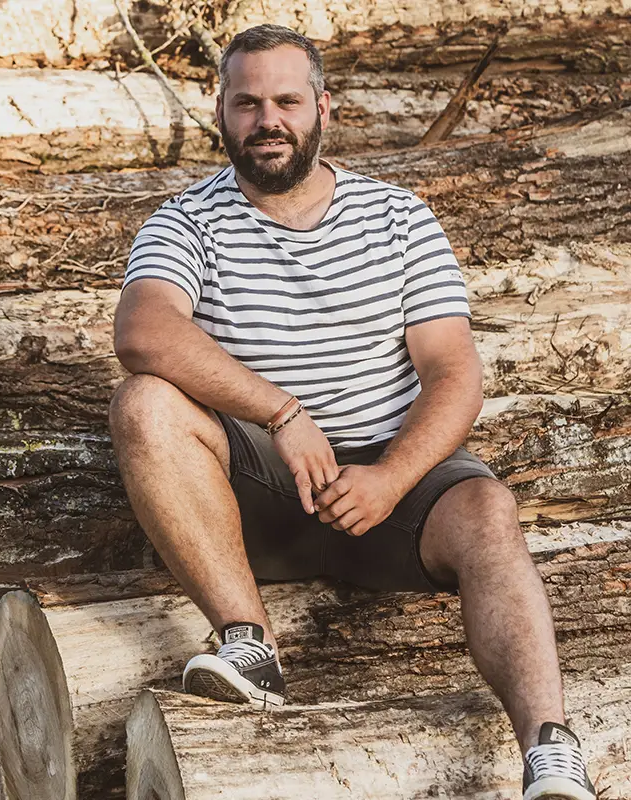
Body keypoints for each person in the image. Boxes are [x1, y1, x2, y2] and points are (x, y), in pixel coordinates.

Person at [109, 23, 596, 800]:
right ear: (221, 110)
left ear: (322, 107)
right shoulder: (185, 223)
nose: (267, 119)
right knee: (144, 404)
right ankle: (247, 643)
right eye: (247, 103)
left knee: (488, 510)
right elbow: (143, 331)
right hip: (257, 487)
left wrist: (392, 478)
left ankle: (550, 754)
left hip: (388, 486)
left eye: (286, 101)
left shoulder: (399, 218)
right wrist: (281, 413)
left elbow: (453, 373)